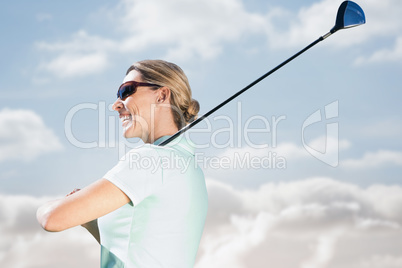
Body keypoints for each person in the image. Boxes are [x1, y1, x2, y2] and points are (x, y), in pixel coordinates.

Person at [37, 59, 208, 268]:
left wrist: (48, 206)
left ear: (162, 95)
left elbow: (51, 219)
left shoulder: (149, 159)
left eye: (126, 91)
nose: (116, 104)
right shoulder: (190, 167)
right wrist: (90, 221)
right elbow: (141, 246)